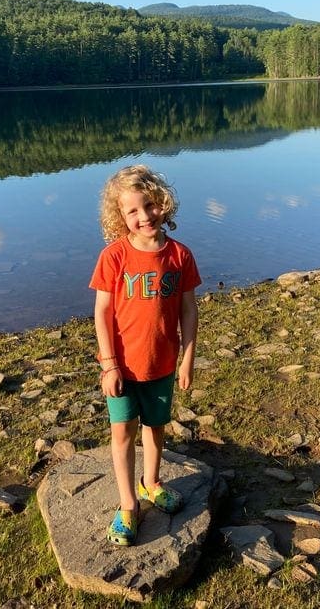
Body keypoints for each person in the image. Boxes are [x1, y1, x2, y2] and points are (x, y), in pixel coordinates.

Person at [89, 164, 201, 547]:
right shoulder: (114, 257)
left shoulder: (179, 256)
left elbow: (189, 310)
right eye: (132, 211)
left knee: (156, 427)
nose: (143, 217)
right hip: (121, 368)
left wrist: (187, 358)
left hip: (162, 365)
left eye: (149, 206)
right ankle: (128, 504)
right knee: (122, 433)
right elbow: (102, 313)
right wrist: (109, 364)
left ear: (162, 204)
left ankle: (152, 482)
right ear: (120, 217)